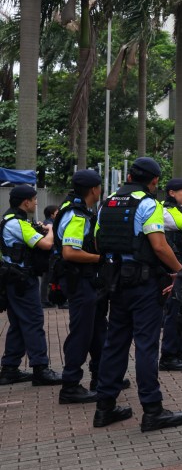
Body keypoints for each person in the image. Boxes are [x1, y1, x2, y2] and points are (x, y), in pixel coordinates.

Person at [93, 157, 182, 431]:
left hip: (115, 282)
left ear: (131, 175)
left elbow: (99, 241)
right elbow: (159, 246)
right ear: (155, 181)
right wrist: (181, 271)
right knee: (146, 345)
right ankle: (152, 410)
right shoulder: (148, 205)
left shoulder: (108, 202)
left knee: (116, 342)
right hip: (143, 283)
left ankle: (105, 407)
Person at [53, 170, 107, 403]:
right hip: (80, 281)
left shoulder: (78, 210)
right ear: (94, 189)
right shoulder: (77, 215)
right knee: (82, 333)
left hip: (86, 282)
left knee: (96, 330)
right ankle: (71, 385)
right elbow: (70, 252)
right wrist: (100, 259)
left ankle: (100, 377)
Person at [0, 184, 62, 386]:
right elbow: (46, 244)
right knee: (34, 322)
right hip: (21, 280)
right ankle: (40, 369)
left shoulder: (12, 221)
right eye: (34, 199)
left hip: (14, 279)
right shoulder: (17, 224)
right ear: (25, 202)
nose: (36, 203)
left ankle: (9, 369)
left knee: (18, 324)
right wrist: (51, 229)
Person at [160, 177, 182, 373]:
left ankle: (179, 351)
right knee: (173, 312)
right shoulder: (166, 211)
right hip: (172, 270)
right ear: (171, 193)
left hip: (181, 268)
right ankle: (168, 355)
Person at [40, 204, 59, 308]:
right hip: (50, 254)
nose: (58, 213)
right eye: (57, 212)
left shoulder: (50, 222)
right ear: (52, 214)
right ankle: (44, 300)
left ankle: (46, 299)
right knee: (47, 277)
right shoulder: (48, 224)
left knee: (48, 277)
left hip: (50, 254)